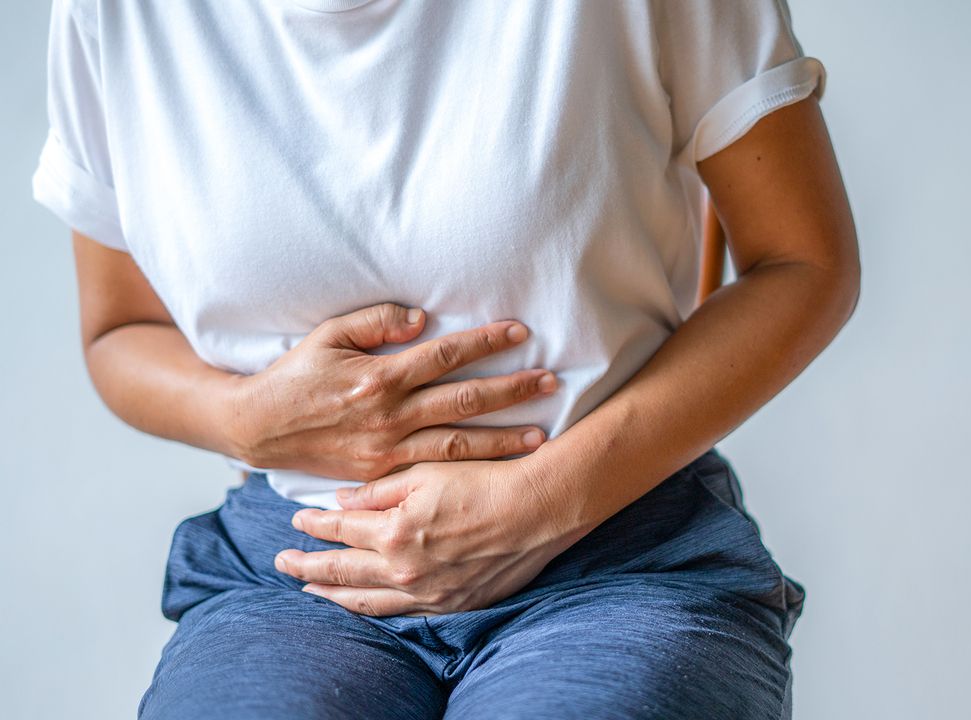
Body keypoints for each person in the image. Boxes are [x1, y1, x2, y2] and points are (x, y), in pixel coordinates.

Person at [33, 1, 860, 718]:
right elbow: (119, 330)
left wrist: (545, 500)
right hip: (295, 571)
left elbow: (804, 262)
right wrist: (243, 420)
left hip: (619, 558)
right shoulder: (111, 14)